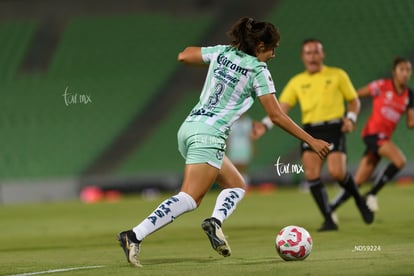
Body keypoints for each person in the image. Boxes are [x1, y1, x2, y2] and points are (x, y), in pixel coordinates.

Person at [117, 18, 330, 267]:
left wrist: (216, 58)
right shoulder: (258, 70)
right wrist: (311, 140)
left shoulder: (224, 52)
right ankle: (133, 235)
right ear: (260, 45)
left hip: (189, 128)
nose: (274, 54)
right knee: (189, 199)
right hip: (210, 134)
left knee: (237, 184)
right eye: (273, 48)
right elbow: (276, 115)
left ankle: (215, 222)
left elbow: (184, 56)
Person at [252, 38, 374, 231]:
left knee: (337, 172)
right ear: (303, 57)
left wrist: (350, 118)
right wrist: (265, 126)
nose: (313, 56)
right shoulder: (297, 82)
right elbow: (281, 108)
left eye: (316, 52)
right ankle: (329, 219)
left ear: (322, 54)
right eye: (308, 53)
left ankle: (359, 200)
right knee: (312, 175)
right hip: (310, 130)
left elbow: (354, 101)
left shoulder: (337, 75)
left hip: (334, 127)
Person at [330, 57, 414, 212]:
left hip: (383, 139)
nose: (405, 73)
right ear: (394, 72)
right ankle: (372, 194)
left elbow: (411, 123)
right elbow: (355, 96)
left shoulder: (409, 95)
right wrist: (343, 110)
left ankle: (331, 208)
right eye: (401, 69)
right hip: (373, 134)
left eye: (408, 70)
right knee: (400, 160)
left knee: (358, 181)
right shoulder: (382, 86)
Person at [226, 113, 255, 186]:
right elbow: (229, 136)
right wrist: (226, 147)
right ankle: (235, 186)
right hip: (234, 147)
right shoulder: (232, 122)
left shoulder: (247, 121)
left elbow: (250, 136)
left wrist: (252, 148)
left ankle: (245, 186)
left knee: (244, 168)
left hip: (245, 147)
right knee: (234, 168)